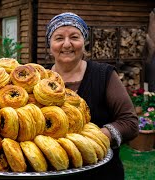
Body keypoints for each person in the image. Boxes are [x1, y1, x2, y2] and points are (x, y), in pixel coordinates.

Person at [45, 12, 139, 179]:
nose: (67, 44)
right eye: (59, 38)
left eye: (74, 37)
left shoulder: (103, 75)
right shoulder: (40, 80)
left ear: (84, 41)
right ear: (50, 45)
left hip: (100, 174)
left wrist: (90, 141)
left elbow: (129, 123)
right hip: (51, 173)